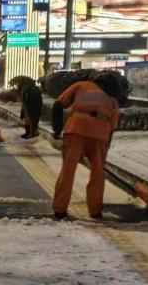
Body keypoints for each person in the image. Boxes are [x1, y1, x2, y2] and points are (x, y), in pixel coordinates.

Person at [51, 75, 121, 220]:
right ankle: (95, 211)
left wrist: (57, 130)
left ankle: (60, 209)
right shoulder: (112, 100)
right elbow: (112, 127)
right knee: (97, 174)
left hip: (76, 130)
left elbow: (58, 104)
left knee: (68, 171)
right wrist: (105, 149)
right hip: (100, 135)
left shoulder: (81, 86)